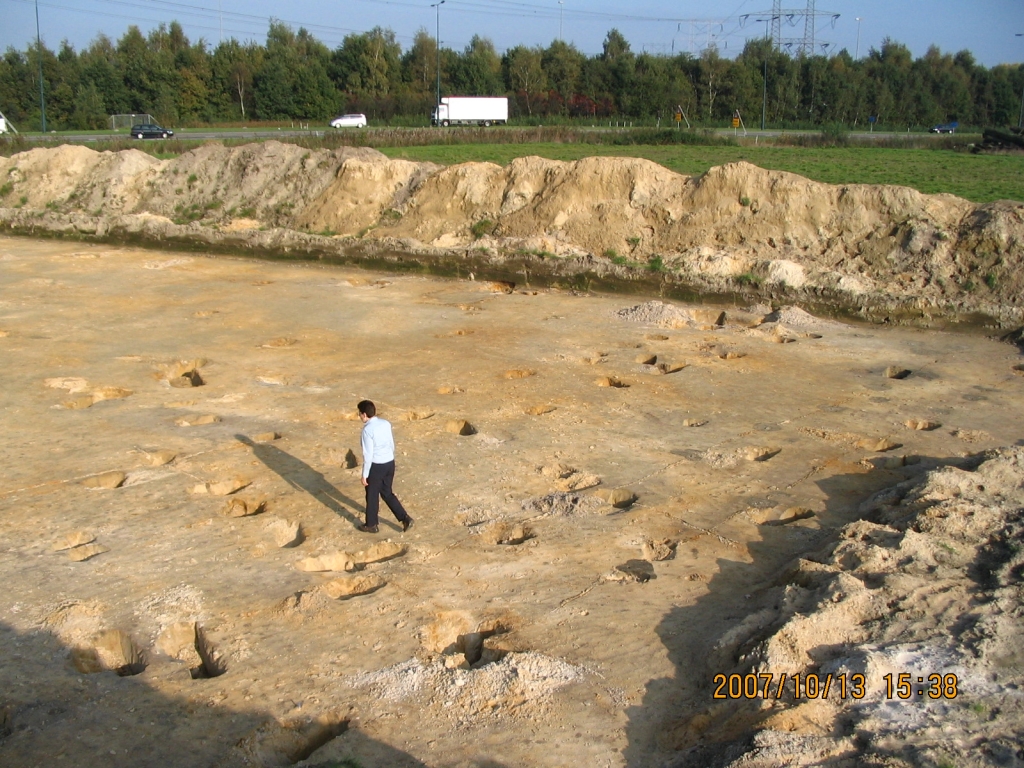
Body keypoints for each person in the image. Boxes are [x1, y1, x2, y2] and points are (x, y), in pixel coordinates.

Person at [356, 400, 414, 534]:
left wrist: (365, 474)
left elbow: (368, 454)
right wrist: (389, 456)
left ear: (364, 414)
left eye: (359, 413)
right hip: (389, 463)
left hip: (376, 466)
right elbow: (391, 443)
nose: (359, 416)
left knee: (372, 495)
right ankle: (405, 518)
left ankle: (371, 524)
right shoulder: (385, 423)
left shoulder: (367, 430)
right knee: (387, 492)